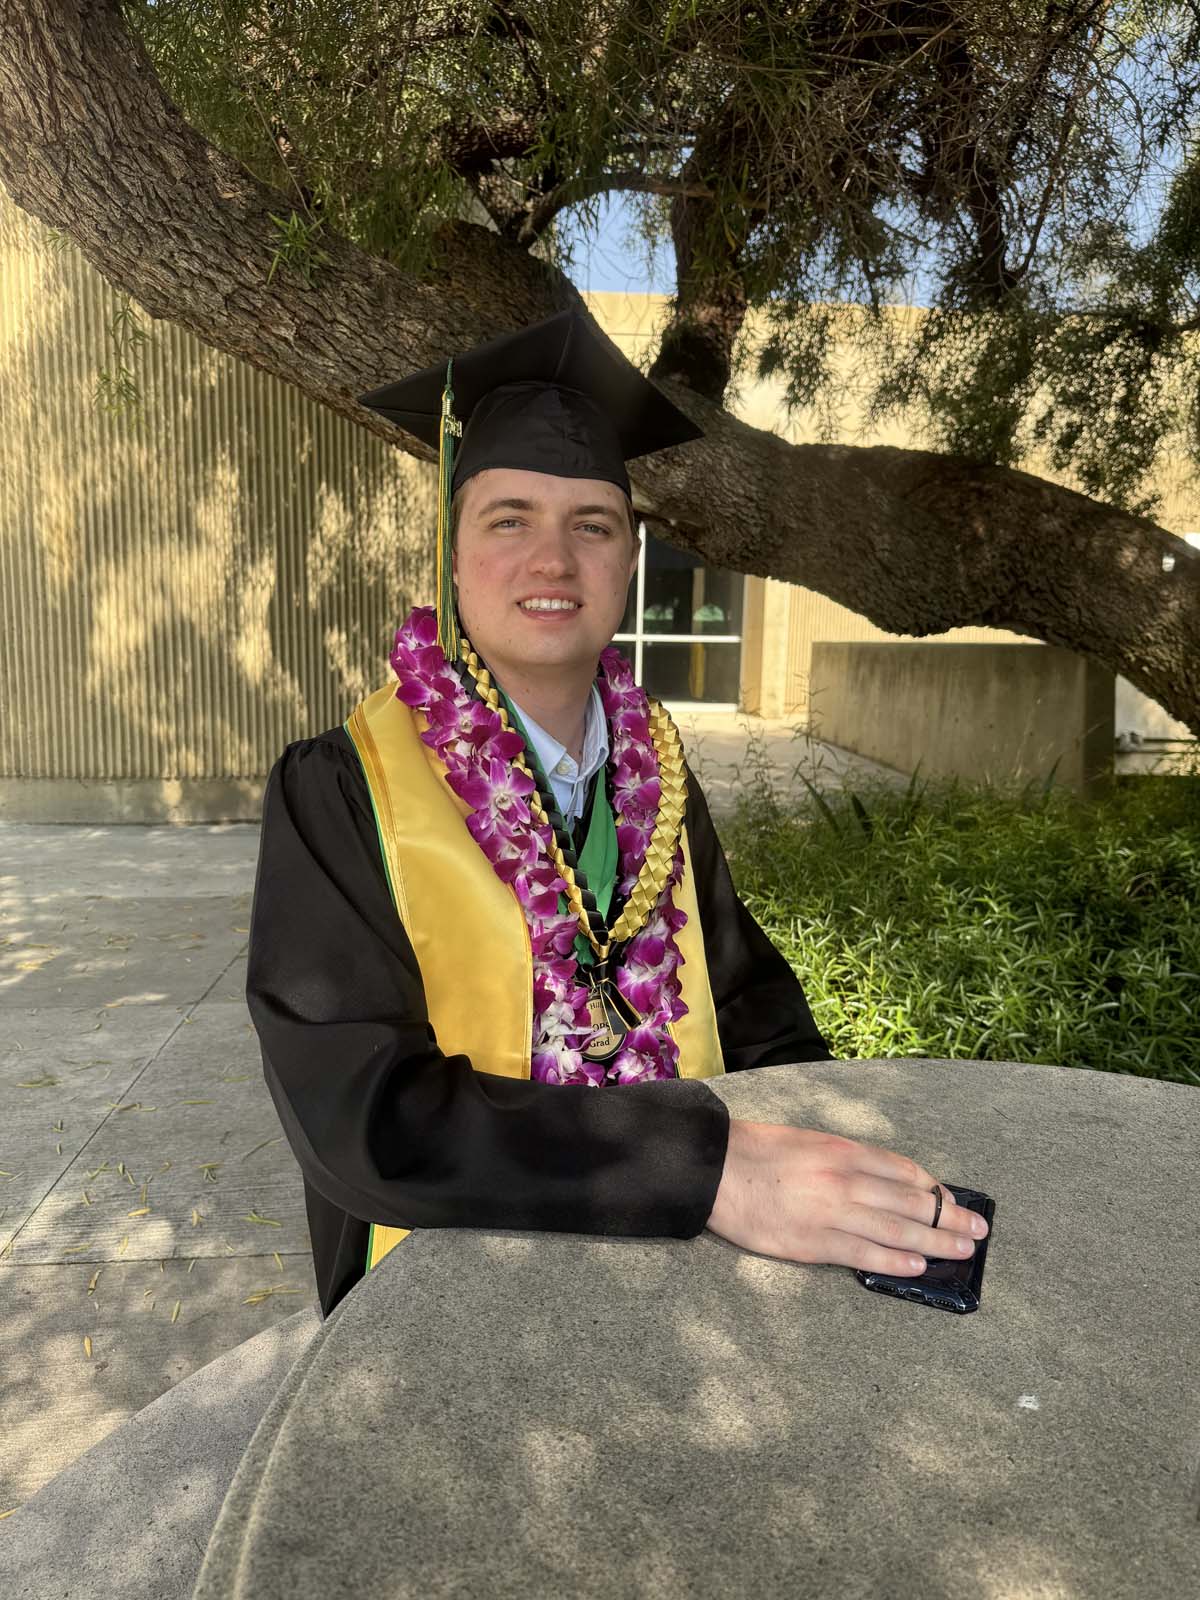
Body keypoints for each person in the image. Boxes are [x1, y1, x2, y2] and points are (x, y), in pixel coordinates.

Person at [247, 311, 987, 1316]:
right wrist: (708, 1168)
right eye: (509, 518)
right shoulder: (341, 788)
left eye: (591, 524)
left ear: (628, 562)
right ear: (453, 556)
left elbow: (753, 1003)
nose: (553, 558)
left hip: (684, 1296)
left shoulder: (661, 774)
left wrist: (835, 1151)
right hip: (447, 1294)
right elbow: (363, 1118)